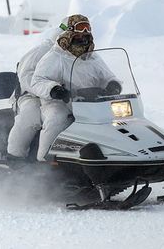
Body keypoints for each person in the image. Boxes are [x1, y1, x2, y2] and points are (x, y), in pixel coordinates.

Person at [31, 14, 122, 161]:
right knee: (57, 119)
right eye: (80, 27)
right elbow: (37, 81)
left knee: (119, 118)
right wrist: (54, 90)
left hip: (90, 101)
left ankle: (118, 153)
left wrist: (113, 85)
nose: (85, 32)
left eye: (88, 28)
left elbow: (108, 76)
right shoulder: (56, 56)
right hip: (59, 102)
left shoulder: (92, 56)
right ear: (70, 30)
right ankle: (45, 159)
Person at [6, 21, 66, 160]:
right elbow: (26, 77)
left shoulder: (76, 53)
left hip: (57, 97)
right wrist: (49, 90)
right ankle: (16, 156)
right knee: (30, 115)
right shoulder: (42, 51)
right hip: (30, 95)